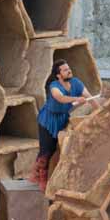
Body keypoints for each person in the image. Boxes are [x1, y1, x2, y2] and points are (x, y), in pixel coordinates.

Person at [31, 59, 93, 189]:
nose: (69, 70)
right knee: (46, 150)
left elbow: (89, 97)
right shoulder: (54, 85)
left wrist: (100, 109)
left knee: (55, 148)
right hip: (48, 120)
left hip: (63, 118)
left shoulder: (76, 83)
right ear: (59, 75)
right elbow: (60, 98)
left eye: (68, 68)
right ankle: (41, 178)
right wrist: (76, 99)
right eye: (65, 70)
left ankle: (36, 172)